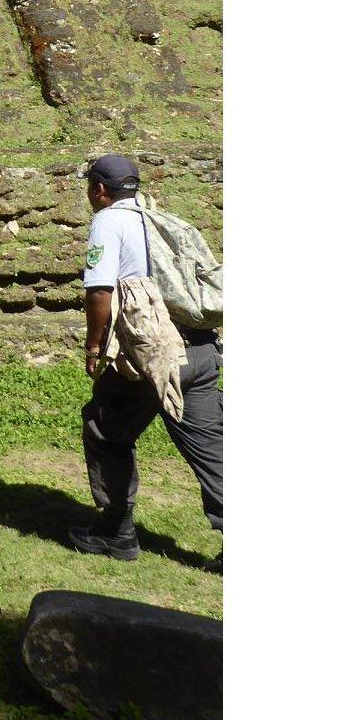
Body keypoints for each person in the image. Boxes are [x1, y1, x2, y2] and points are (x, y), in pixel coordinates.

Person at [73, 154, 224, 565]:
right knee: (211, 447)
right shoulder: (160, 219)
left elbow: (100, 290)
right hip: (198, 350)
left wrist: (94, 346)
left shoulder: (108, 221)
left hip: (149, 355)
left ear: (99, 189)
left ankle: (115, 532)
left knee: (106, 430)